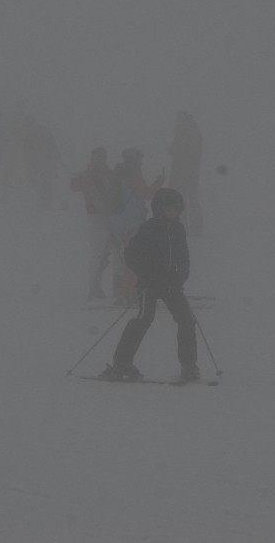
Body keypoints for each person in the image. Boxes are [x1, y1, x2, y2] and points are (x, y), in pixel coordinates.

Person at [100, 188, 200, 382]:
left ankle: (189, 366)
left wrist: (180, 278)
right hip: (150, 285)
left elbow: (184, 258)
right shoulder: (149, 228)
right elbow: (131, 254)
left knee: (187, 320)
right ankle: (122, 363)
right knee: (144, 319)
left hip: (172, 285)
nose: (172, 212)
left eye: (176, 209)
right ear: (159, 208)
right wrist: (146, 275)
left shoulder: (179, 230)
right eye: (168, 208)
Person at [109, 148, 164, 303]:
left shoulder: (117, 173)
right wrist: (159, 182)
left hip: (120, 222)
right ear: (135, 159)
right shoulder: (134, 174)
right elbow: (146, 194)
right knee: (135, 258)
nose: (142, 161)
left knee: (128, 257)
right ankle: (130, 292)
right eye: (141, 158)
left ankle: (126, 291)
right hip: (133, 222)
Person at [70, 147, 115, 300]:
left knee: (107, 252)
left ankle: (99, 286)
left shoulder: (108, 173)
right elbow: (74, 185)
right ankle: (94, 287)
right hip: (95, 216)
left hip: (110, 215)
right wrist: (85, 181)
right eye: (97, 157)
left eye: (102, 158)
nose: (100, 160)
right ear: (92, 158)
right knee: (98, 252)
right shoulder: (88, 174)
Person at [168, 111, 204, 236]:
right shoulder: (194, 132)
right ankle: (197, 228)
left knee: (182, 199)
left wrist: (173, 150)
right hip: (192, 172)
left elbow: (180, 154)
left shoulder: (184, 133)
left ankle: (183, 228)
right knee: (192, 198)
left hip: (182, 173)